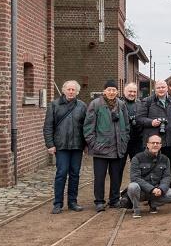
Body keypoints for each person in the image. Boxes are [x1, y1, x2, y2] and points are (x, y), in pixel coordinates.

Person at [84, 80, 129, 212]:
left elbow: (126, 126)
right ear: (104, 91)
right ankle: (99, 201)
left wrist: (124, 140)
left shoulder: (121, 105)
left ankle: (114, 200)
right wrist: (93, 144)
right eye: (109, 90)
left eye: (114, 90)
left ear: (117, 92)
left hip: (117, 148)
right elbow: (88, 127)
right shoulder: (96, 104)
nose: (111, 92)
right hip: (100, 149)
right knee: (99, 177)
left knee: (116, 176)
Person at [44, 79, 87, 214]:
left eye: (73, 89)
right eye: (68, 89)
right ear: (63, 90)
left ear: (77, 91)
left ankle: (72, 202)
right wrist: (50, 144)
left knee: (75, 174)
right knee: (61, 173)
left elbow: (86, 127)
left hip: (77, 146)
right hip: (61, 145)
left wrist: (85, 145)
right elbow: (48, 126)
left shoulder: (82, 106)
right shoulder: (54, 105)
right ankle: (58, 203)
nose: (71, 91)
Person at [138, 80, 171, 193]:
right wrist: (151, 122)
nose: (161, 89)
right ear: (155, 89)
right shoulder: (147, 101)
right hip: (153, 142)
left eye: (163, 87)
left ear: (167, 88)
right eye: (158, 87)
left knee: (166, 167)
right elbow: (139, 119)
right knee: (150, 167)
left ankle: (166, 191)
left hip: (168, 141)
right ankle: (149, 192)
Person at [127, 134, 171, 217]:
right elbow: (135, 178)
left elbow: (167, 177)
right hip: (141, 191)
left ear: (161, 145)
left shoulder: (165, 159)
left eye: (157, 143)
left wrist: (161, 189)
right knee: (132, 186)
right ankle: (136, 209)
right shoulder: (137, 158)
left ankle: (153, 204)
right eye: (153, 143)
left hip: (156, 192)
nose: (155, 145)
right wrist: (151, 189)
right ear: (147, 144)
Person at [122, 82, 144, 161]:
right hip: (122, 142)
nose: (132, 94)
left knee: (139, 167)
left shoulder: (141, 104)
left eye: (134, 92)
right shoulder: (119, 104)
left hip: (137, 141)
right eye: (130, 91)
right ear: (124, 91)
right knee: (118, 169)